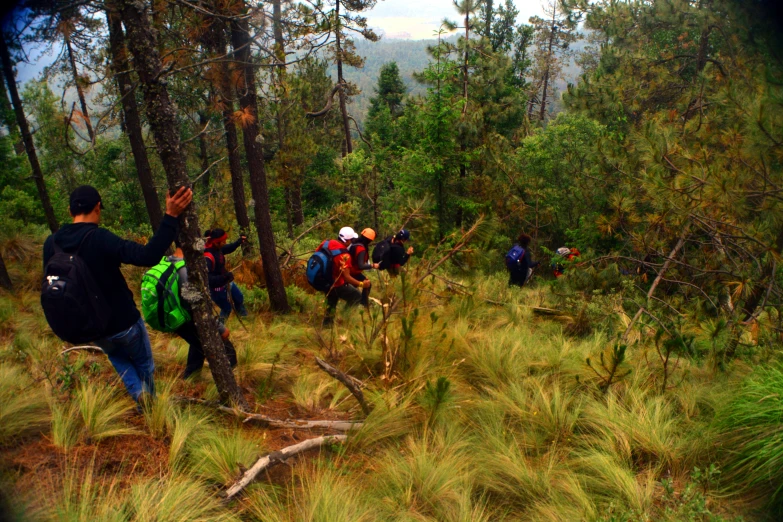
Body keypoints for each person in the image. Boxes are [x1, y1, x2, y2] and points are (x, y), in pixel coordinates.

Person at [42, 184, 193, 403]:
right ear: (98, 207)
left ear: (70, 211)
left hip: (92, 326)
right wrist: (171, 216)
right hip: (124, 323)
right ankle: (150, 405)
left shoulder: (51, 244)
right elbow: (147, 255)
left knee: (117, 357)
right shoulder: (100, 237)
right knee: (144, 365)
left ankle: (139, 394)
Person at [165, 246, 237, 379]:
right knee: (218, 338)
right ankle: (229, 375)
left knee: (198, 342)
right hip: (184, 315)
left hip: (169, 316)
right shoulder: (185, 270)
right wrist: (219, 327)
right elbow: (196, 303)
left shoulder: (167, 262)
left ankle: (191, 377)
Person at [321, 226, 371, 327]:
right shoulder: (345, 255)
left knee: (332, 301)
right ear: (348, 241)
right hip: (336, 282)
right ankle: (343, 318)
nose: (353, 242)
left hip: (323, 279)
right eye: (352, 240)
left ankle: (327, 326)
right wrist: (362, 284)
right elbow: (347, 277)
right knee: (356, 296)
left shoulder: (326, 243)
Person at [204, 228, 248, 321]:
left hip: (225, 282)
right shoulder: (208, 257)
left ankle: (245, 319)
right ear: (216, 242)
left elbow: (227, 248)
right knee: (226, 308)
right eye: (223, 241)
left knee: (239, 298)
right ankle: (220, 329)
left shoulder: (217, 248)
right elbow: (207, 279)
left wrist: (238, 242)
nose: (225, 242)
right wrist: (224, 277)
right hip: (215, 289)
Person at [348, 228, 379, 307]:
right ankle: (363, 304)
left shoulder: (354, 243)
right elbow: (361, 265)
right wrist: (372, 265)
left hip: (349, 270)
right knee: (367, 284)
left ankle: (360, 303)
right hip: (353, 272)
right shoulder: (361, 248)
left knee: (355, 288)